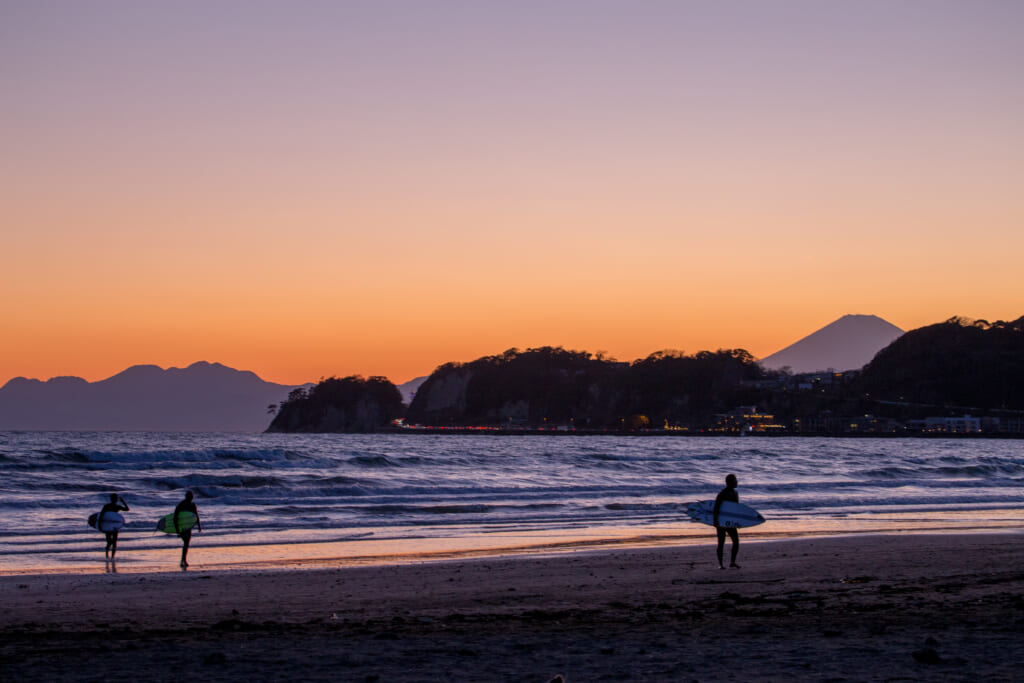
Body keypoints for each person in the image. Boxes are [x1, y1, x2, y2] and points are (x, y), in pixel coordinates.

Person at [713, 474, 740, 569]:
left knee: (736, 541)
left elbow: (736, 509)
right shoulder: (722, 494)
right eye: (735, 480)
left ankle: (732, 562)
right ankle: (720, 564)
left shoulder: (735, 493)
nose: (737, 482)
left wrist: (738, 521)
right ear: (730, 482)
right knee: (721, 542)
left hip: (731, 521)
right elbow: (716, 508)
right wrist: (716, 521)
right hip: (721, 522)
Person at [174, 490, 202, 568]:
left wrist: (199, 526)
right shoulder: (181, 504)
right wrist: (177, 530)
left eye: (192, 496)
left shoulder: (193, 505)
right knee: (186, 542)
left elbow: (196, 516)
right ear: (187, 496)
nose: (191, 498)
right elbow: (175, 517)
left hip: (188, 527)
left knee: (186, 544)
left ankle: (183, 560)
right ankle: (183, 560)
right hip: (182, 527)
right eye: (190, 496)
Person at [99, 493, 129, 562]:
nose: (115, 500)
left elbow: (127, 509)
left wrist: (123, 502)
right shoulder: (107, 506)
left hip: (114, 527)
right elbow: (101, 515)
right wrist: (101, 525)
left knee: (114, 542)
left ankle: (112, 557)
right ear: (111, 499)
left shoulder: (117, 506)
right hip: (108, 526)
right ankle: (107, 556)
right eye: (114, 498)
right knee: (109, 542)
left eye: (116, 498)